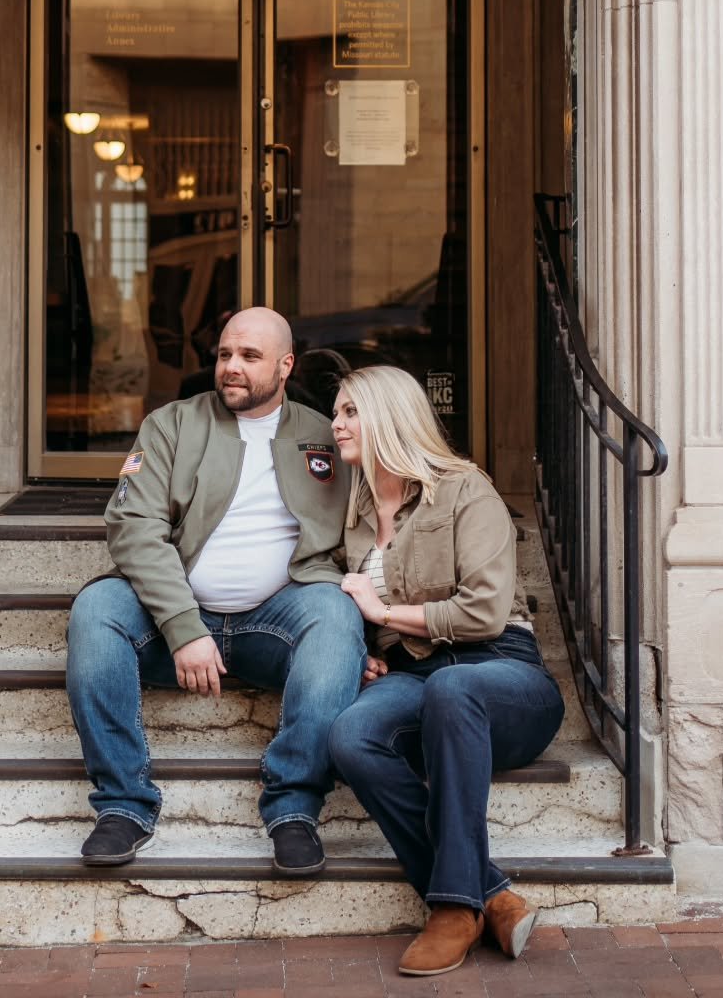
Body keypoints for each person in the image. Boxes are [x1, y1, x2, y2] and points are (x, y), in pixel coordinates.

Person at [66, 306, 366, 876]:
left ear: (285, 365)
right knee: (97, 607)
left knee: (334, 614)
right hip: (173, 622)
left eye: (249, 357)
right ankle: (124, 806)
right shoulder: (172, 423)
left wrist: (367, 643)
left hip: (278, 621)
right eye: (225, 354)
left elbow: (371, 535)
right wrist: (184, 628)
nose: (231, 367)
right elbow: (133, 528)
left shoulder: (326, 434)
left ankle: (294, 810)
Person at [327, 365, 565, 976]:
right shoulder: (352, 515)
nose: (337, 424)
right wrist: (365, 649)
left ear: (390, 416)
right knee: (352, 736)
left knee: (456, 686)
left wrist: (384, 610)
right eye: (337, 412)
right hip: (418, 675)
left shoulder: (464, 489)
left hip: (502, 672)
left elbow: (484, 611)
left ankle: (453, 910)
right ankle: (490, 893)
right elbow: (353, 609)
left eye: (351, 411)